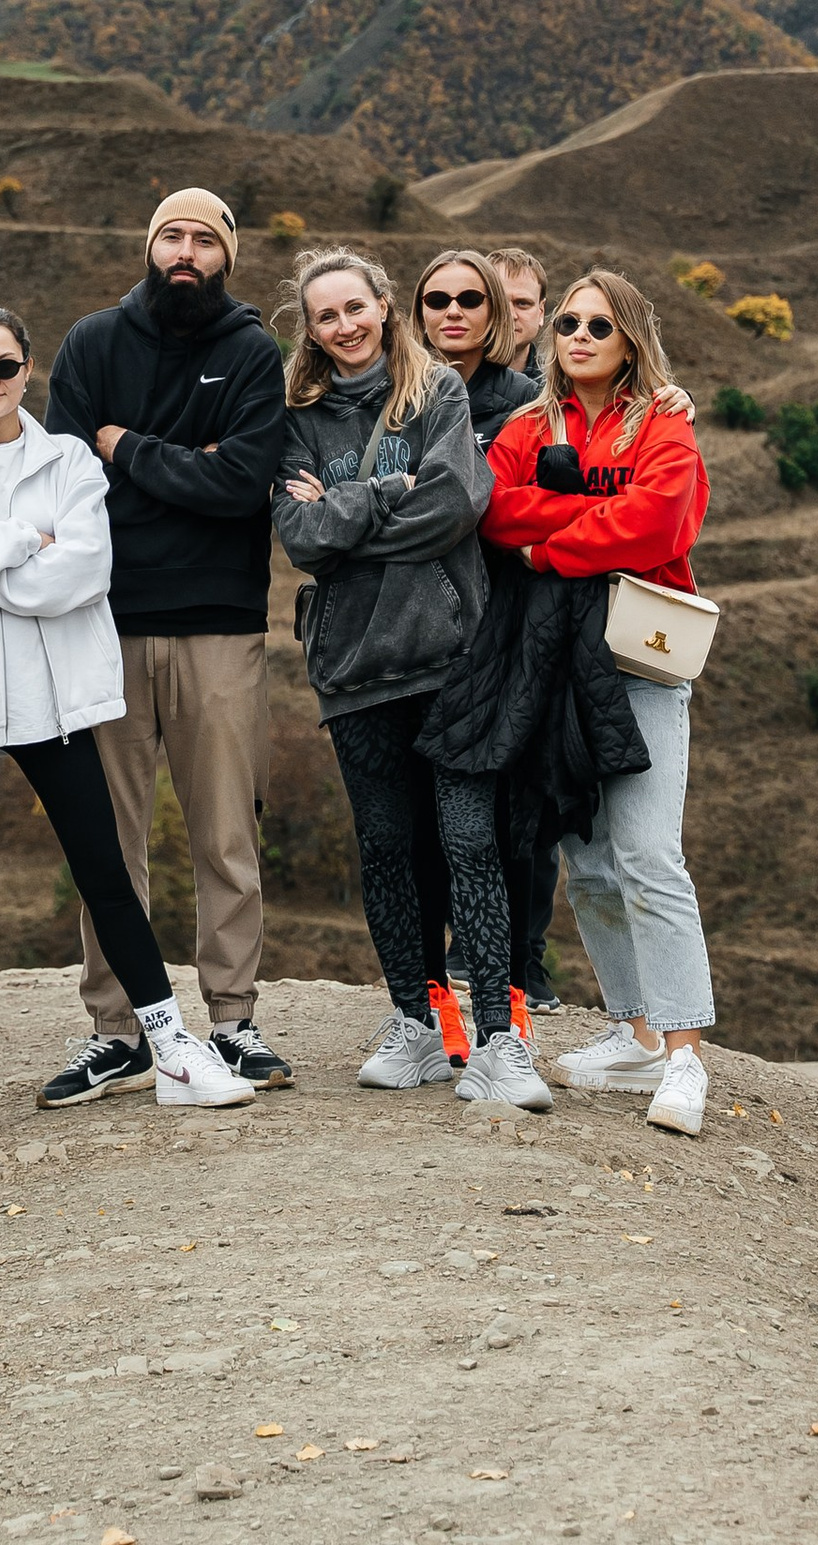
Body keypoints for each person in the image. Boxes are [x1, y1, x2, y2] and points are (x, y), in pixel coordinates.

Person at [0, 304, 257, 1142]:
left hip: (50, 700)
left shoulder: (67, 461)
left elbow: (81, 573)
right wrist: (24, 538)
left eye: (4, 366)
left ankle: (169, 1047)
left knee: (105, 872)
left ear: (29, 369)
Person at [273, 247, 547, 1114]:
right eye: (326, 315)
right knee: (387, 847)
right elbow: (300, 537)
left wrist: (349, 509)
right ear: (311, 330)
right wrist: (388, 492)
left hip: (450, 653)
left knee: (472, 844)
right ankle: (414, 1024)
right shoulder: (298, 416)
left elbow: (452, 506)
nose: (345, 325)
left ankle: (501, 1044)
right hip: (353, 666)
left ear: (386, 307)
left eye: (356, 307)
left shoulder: (439, 393)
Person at [33, 189, 292, 1101]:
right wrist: (185, 463)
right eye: (171, 235)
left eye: (204, 239)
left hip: (219, 623)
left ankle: (232, 1019)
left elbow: (239, 484)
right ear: (149, 244)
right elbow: (63, 480)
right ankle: (119, 1027)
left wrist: (127, 447)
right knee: (109, 839)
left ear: (228, 255)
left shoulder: (253, 352)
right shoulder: (92, 343)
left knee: (225, 830)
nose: (187, 251)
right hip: (102, 622)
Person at [482, 269, 716, 1136]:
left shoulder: (664, 420)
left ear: (630, 339)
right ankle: (634, 1032)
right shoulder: (524, 425)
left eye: (599, 324)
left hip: (640, 660)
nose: (577, 334)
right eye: (568, 322)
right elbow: (496, 511)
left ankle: (685, 1057)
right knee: (589, 861)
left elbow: (660, 525)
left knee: (651, 852)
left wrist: (551, 549)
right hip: (553, 667)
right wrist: (583, 515)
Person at [404, 252, 553, 1037]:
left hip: (505, 635)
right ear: (417, 309)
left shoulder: (529, 401)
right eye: (436, 299)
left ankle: (515, 996)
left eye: (470, 298)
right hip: (417, 637)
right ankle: (434, 1002)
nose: (452, 311)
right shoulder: (399, 396)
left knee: (508, 828)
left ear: (496, 311)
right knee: (421, 832)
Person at [491, 246, 550, 375]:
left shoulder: (560, 387)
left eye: (522, 303)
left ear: (541, 311)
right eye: (500, 303)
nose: (511, 315)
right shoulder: (444, 383)